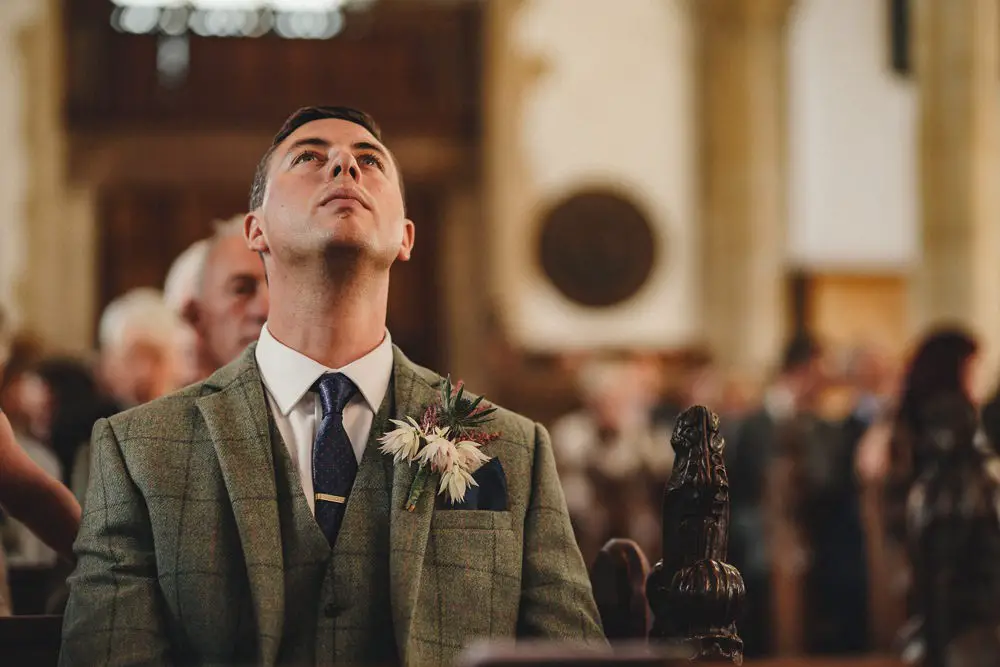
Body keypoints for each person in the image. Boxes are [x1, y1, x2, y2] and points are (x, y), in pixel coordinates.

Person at [61, 106, 604, 666]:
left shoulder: (512, 447)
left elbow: (571, 653)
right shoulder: (140, 449)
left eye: (370, 161)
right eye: (309, 157)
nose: (345, 164)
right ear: (257, 231)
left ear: (406, 238)